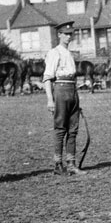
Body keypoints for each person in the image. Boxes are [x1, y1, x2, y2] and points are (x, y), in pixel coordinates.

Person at [43, 21, 86, 176]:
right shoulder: (55, 52)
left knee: (73, 129)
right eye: (65, 34)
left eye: (70, 34)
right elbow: (47, 77)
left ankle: (71, 164)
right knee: (60, 129)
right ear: (59, 35)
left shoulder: (70, 54)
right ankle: (57, 164)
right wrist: (50, 99)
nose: (68, 37)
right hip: (60, 91)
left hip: (73, 91)